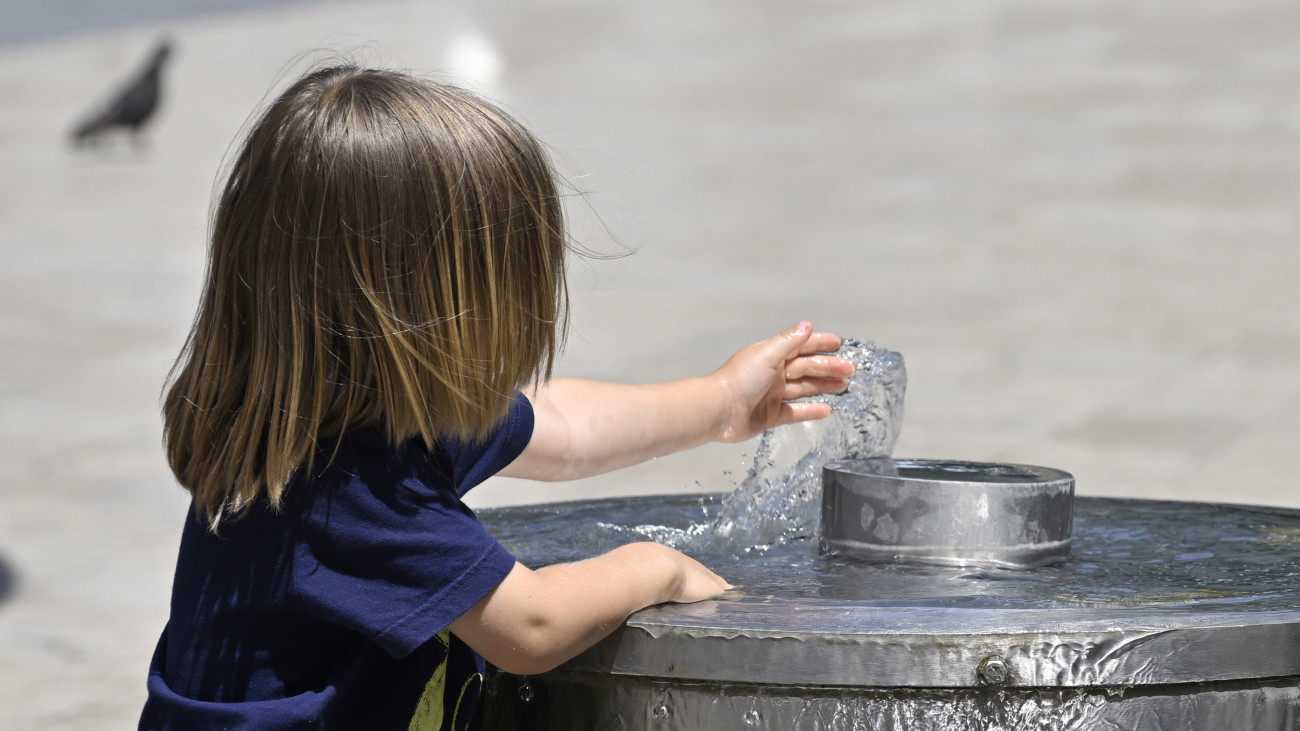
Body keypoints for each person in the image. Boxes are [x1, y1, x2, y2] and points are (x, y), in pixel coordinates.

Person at [138, 64, 853, 731]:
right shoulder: (346, 488)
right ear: (417, 310)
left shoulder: (340, 415)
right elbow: (532, 627)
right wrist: (654, 565)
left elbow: (564, 426)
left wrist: (723, 400)